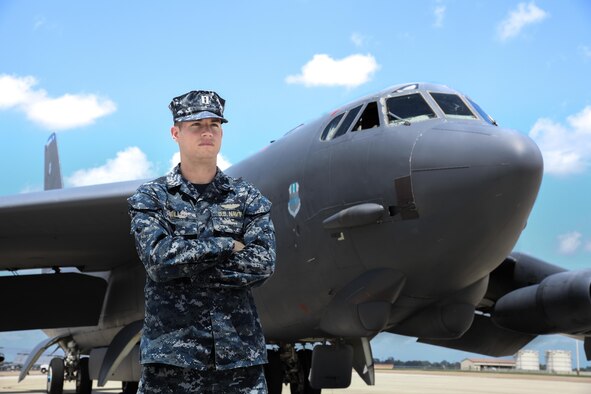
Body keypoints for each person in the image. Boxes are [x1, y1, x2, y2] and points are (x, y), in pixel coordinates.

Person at [128, 90, 276, 393]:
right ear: (176, 133)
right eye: (196, 125)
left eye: (214, 124)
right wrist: (225, 245)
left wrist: (185, 265)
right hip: (171, 365)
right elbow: (159, 261)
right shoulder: (152, 198)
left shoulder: (247, 198)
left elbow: (262, 263)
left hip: (239, 364)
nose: (207, 131)